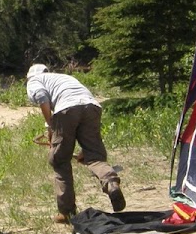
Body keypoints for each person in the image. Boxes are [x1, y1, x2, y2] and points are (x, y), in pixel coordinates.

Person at [26, 63, 125, 223]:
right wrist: (81, 149)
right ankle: (111, 183)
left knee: (60, 160)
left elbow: (42, 98)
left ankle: (66, 212)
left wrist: (51, 125)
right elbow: (78, 109)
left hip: (66, 109)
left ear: (29, 77)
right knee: (95, 156)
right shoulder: (62, 78)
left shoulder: (34, 81)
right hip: (91, 106)